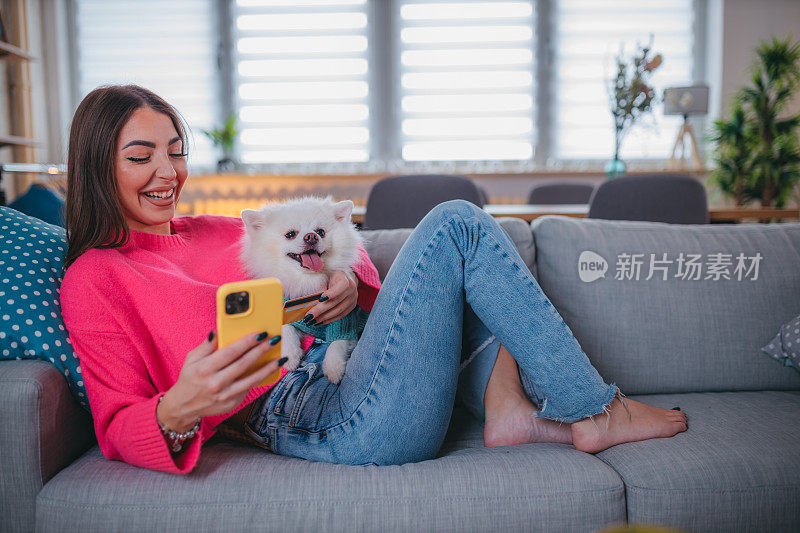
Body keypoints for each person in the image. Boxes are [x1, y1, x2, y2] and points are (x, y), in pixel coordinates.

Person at [59, 85, 687, 474]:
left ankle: (507, 411)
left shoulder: (226, 228)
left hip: (349, 360)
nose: (168, 171)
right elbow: (116, 424)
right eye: (142, 157)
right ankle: (596, 407)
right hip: (314, 412)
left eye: (175, 151)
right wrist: (177, 410)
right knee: (457, 225)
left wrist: (346, 288)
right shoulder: (97, 278)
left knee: (463, 254)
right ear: (96, 167)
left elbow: (344, 248)